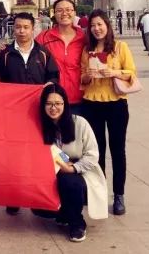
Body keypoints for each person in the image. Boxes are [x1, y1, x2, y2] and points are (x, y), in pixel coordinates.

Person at [0, 11, 59, 215]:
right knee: (13, 156)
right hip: (14, 115)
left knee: (39, 154)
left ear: (33, 29)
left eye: (26, 27)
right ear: (13, 29)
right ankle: (14, 197)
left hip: (39, 114)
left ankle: (37, 196)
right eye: (18, 27)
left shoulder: (43, 53)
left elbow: (54, 77)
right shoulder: (6, 54)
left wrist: (49, 87)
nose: (21, 31)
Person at [80, 9, 137, 216]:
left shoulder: (120, 47)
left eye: (100, 24)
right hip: (92, 103)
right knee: (97, 151)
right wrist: (88, 75)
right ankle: (99, 193)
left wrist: (113, 72)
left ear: (107, 25)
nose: (97, 29)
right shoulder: (87, 50)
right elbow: (81, 78)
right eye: (93, 26)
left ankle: (119, 195)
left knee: (118, 150)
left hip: (116, 104)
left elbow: (131, 73)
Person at [34, 84, 108, 242]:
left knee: (70, 182)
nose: (53, 108)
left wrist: (73, 168)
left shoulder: (80, 123)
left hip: (79, 171)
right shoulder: (38, 126)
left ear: (65, 104)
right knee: (40, 209)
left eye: (58, 103)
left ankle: (77, 223)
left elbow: (92, 155)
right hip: (50, 170)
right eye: (49, 104)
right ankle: (63, 212)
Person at [36, 0, 86, 116]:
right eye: (59, 10)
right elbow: (27, 49)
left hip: (81, 100)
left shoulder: (84, 37)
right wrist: (7, 48)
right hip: (53, 101)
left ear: (74, 12)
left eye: (68, 10)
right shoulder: (44, 37)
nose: (64, 13)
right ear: (54, 13)